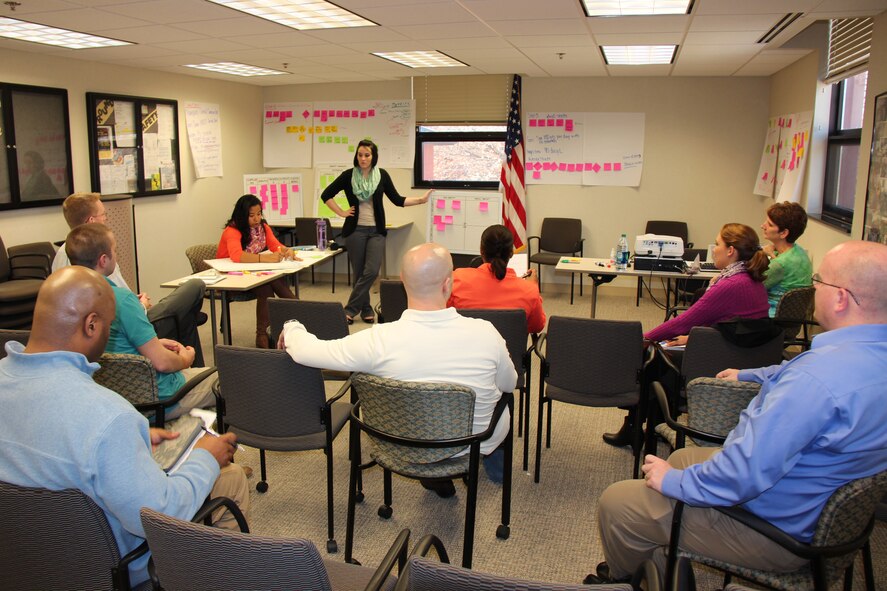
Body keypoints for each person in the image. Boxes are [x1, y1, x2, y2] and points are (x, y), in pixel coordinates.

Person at [585, 240, 887, 585]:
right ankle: (656, 558)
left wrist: (676, 482)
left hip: (773, 529)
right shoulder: (860, 362)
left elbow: (744, 475)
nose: (813, 287)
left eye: (819, 281)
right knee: (684, 455)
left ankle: (625, 579)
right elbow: (795, 376)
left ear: (841, 297)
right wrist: (749, 374)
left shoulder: (814, 383)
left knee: (618, 503)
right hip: (818, 511)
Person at [0, 266, 249, 588]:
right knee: (229, 479)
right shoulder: (108, 415)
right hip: (111, 569)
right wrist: (206, 457)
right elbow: (160, 513)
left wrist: (134, 437)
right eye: (108, 324)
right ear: (91, 325)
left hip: (22, 561)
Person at [278, 242, 517, 496]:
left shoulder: (377, 340)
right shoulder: (486, 334)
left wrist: (292, 326)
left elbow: (308, 351)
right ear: (449, 284)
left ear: (403, 281)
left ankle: (432, 467)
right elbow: (509, 384)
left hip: (398, 440)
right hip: (471, 444)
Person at [603, 223, 770, 448]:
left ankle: (640, 426)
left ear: (731, 251)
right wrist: (693, 338)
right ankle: (653, 425)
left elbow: (685, 321)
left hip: (722, 361)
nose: (713, 249)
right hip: (740, 354)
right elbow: (735, 326)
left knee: (653, 357)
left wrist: (643, 338)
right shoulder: (750, 279)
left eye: (718, 244)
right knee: (664, 350)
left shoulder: (731, 285)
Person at [67, 223, 216, 419]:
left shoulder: (67, 299)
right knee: (227, 380)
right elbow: (162, 364)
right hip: (158, 399)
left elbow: (112, 348)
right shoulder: (121, 300)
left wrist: (152, 344)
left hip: (110, 398)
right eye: (114, 250)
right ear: (103, 260)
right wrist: (185, 359)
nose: (116, 254)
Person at [52, 192, 208, 365]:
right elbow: (123, 305)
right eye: (104, 214)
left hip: (113, 325)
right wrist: (141, 304)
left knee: (185, 316)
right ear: (91, 221)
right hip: (133, 321)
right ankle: (194, 368)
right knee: (194, 287)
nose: (106, 219)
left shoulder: (62, 255)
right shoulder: (100, 255)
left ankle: (195, 369)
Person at [320, 139, 431, 324]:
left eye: (367, 155)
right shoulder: (348, 176)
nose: (363, 158)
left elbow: (397, 199)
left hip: (376, 230)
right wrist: (341, 212)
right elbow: (326, 195)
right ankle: (365, 309)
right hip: (355, 230)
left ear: (373, 157)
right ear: (356, 156)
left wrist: (420, 200)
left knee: (371, 271)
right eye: (360, 155)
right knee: (358, 273)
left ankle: (349, 309)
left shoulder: (382, 176)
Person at [217, 194, 299, 349]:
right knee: (266, 284)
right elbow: (237, 255)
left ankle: (263, 336)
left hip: (252, 272)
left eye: (259, 214)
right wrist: (265, 259)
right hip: (230, 278)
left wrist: (288, 251)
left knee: (269, 282)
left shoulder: (263, 227)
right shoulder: (232, 230)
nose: (257, 219)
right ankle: (299, 313)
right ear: (242, 215)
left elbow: (275, 245)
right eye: (252, 215)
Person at [447, 224, 546, 333]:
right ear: (511, 253)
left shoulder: (456, 279)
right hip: (509, 349)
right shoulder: (529, 290)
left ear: (481, 251)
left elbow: (445, 315)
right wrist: (533, 288)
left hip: (467, 348)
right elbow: (536, 327)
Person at [761, 201, 812, 316]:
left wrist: (768, 255)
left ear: (783, 233)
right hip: (791, 321)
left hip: (771, 320)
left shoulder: (780, 264)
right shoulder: (800, 252)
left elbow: (751, 288)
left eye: (769, 224)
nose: (763, 226)